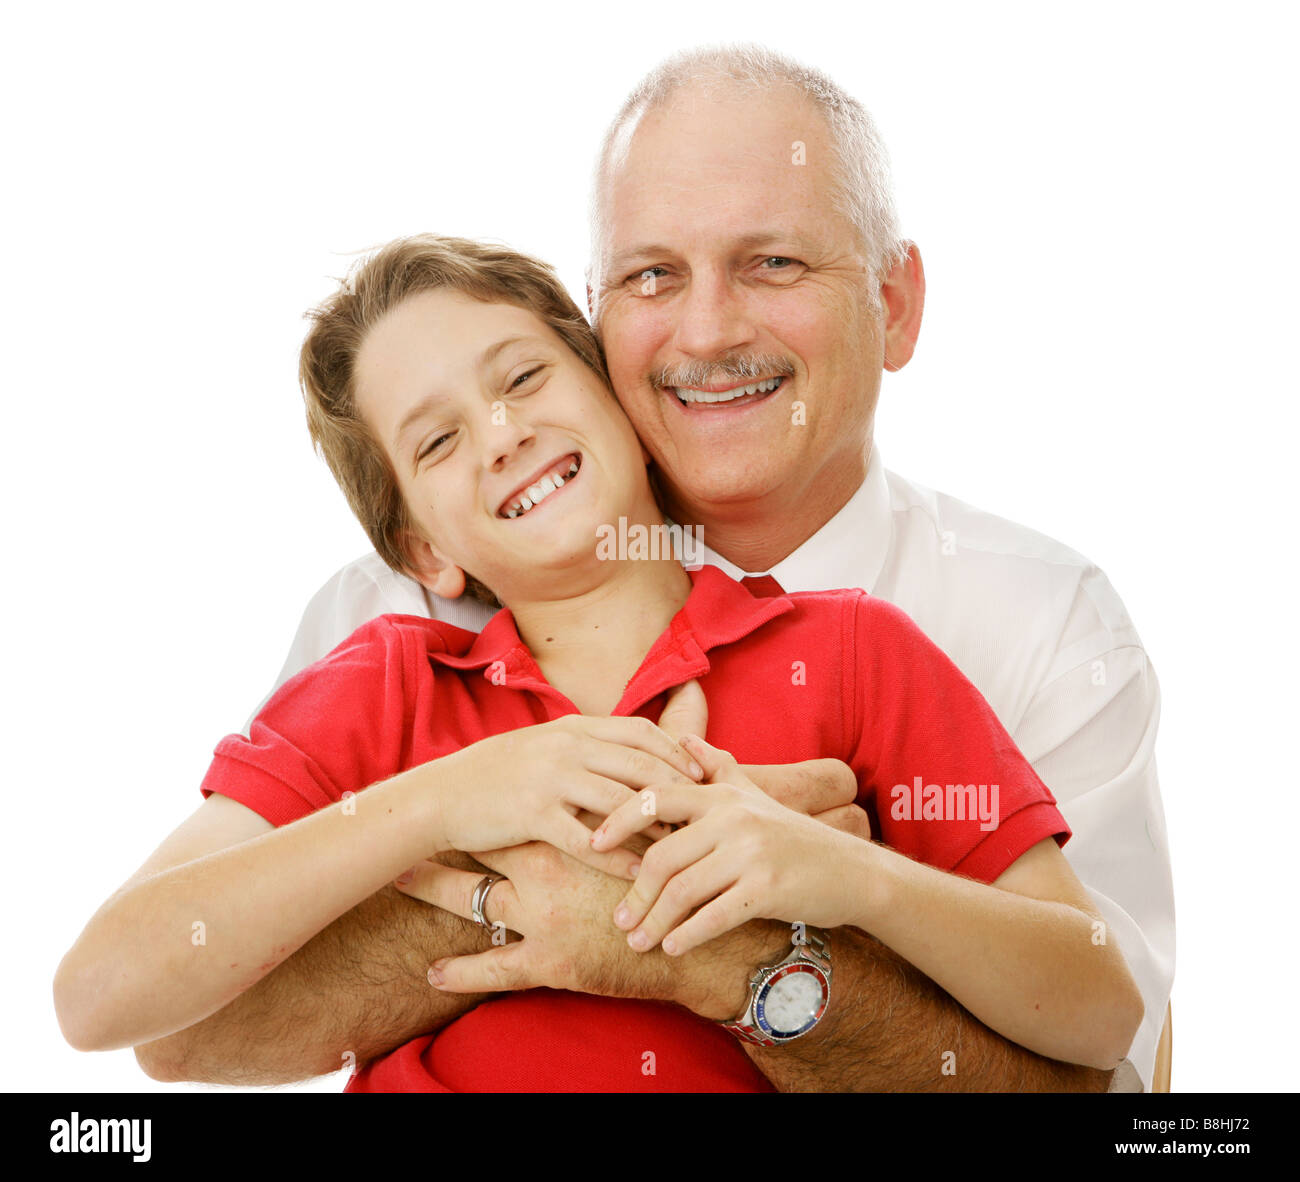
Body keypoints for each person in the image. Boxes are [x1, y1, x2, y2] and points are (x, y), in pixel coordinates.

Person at [131, 44, 1173, 1093]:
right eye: (651, 276)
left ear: (894, 304)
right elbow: (187, 1028)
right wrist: (578, 893)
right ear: (597, 324)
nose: (708, 331)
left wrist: (768, 943)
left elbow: (1112, 1089)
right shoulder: (397, 615)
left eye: (774, 262)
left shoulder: (1033, 620)